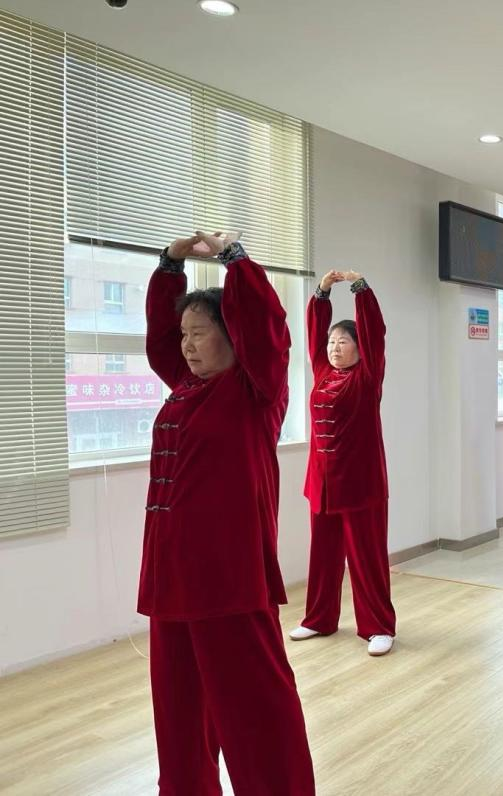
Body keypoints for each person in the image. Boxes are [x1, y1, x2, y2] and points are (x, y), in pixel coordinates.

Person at [139, 232, 314, 794]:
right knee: (179, 711)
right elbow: (160, 341)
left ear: (233, 335)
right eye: (184, 334)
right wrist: (170, 265)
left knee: (254, 708)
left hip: (229, 577)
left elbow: (267, 329)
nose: (187, 346)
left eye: (200, 333)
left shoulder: (254, 392)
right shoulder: (185, 386)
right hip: (169, 576)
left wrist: (235, 260)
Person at [288, 269, 396, 657]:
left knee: (366, 558)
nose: (334, 347)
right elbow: (313, 334)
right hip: (321, 483)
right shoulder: (322, 371)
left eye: (343, 341)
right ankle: (319, 619)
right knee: (323, 555)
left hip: (360, 484)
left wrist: (360, 290)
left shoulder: (368, 376)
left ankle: (378, 626)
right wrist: (321, 292)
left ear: (360, 348)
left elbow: (375, 333)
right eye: (332, 341)